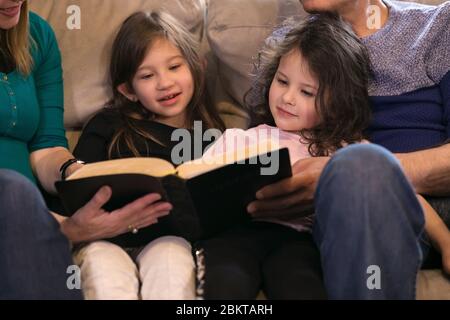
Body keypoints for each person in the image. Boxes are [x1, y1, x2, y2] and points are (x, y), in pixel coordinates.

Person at [247, 0, 450, 299]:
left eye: (307, 91)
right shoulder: (290, 45)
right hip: (335, 223)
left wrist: (348, 175)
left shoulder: (437, 27)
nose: (289, 96)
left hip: (434, 207)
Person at [194, 14, 373, 300]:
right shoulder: (240, 139)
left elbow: (377, 181)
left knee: (302, 286)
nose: (287, 97)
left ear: (339, 102)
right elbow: (199, 184)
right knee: (225, 284)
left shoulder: (342, 148)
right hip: (234, 235)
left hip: (298, 241)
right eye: (282, 81)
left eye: (306, 91)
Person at [0, 0, 168, 299]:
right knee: (14, 192)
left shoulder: (36, 34)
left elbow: (47, 145)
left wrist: (81, 174)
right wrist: (66, 228)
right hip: (20, 214)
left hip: (31, 218)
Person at [72, 11, 225, 300]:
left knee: (171, 271)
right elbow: (78, 185)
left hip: (169, 237)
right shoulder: (107, 126)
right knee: (106, 278)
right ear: (128, 90)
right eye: (147, 75)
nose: (164, 83)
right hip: (106, 237)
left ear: (196, 68)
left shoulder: (212, 136)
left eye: (174, 67)